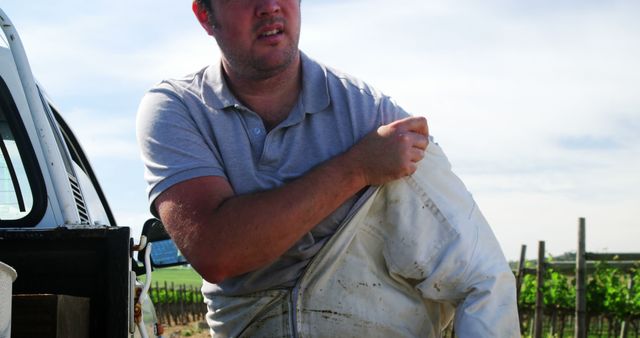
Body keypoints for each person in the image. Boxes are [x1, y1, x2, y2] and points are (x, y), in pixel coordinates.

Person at [136, 0, 520, 336]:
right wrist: (357, 169)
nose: (269, 6)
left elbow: (481, 275)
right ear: (205, 15)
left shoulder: (373, 116)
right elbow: (215, 251)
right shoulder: (178, 110)